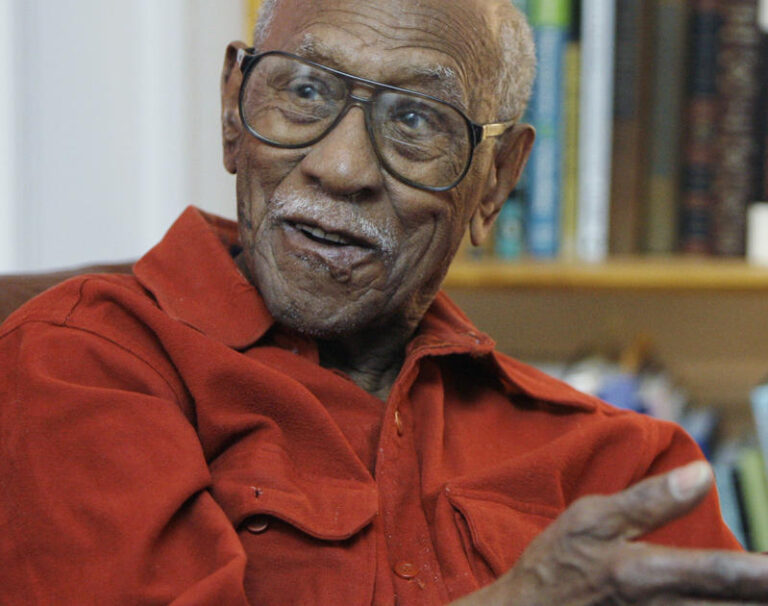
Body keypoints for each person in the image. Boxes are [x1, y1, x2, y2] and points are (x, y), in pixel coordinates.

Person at [1, 0, 767, 604]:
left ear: (497, 178)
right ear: (234, 107)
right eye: (304, 91)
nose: (341, 168)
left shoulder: (622, 467)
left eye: (414, 119)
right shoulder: (82, 362)